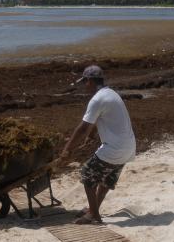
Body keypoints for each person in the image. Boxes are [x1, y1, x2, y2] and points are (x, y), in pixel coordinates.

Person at [58, 65, 136, 225]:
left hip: (115, 148)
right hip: (128, 148)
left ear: (91, 81)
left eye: (85, 82)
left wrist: (67, 150)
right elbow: (95, 123)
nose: (84, 86)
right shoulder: (111, 93)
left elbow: (83, 128)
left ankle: (93, 214)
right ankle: (93, 210)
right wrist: (92, 135)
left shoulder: (97, 99)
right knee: (105, 179)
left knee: (87, 173)